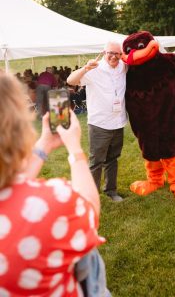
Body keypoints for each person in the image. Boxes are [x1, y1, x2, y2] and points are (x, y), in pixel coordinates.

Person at [0, 71, 110, 296]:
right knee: (89, 256)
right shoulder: (51, 202)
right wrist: (75, 150)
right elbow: (90, 210)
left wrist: (43, 146)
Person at [67, 41, 127, 202]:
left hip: (118, 122)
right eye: (111, 53)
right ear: (104, 52)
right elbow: (71, 80)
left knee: (112, 159)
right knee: (96, 161)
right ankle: (91, 195)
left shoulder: (123, 66)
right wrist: (85, 68)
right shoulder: (94, 68)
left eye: (118, 53)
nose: (114, 57)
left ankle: (111, 190)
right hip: (99, 123)